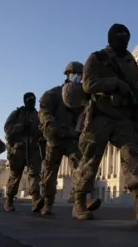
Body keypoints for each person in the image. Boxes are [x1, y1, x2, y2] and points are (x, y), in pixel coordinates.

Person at [73, 24, 138, 221]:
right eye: (120, 38)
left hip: (123, 116)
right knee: (91, 159)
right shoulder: (97, 58)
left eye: (127, 38)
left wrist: (136, 98)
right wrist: (114, 84)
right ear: (111, 39)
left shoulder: (131, 61)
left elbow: (134, 87)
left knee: (132, 155)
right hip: (100, 114)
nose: (124, 42)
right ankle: (79, 201)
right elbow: (88, 85)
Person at [37, 62, 101, 216]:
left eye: (80, 74)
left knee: (81, 167)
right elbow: (44, 111)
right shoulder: (53, 94)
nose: (78, 77)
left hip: (73, 138)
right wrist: (50, 124)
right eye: (75, 74)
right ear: (67, 75)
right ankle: (47, 202)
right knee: (49, 173)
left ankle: (79, 202)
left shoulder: (83, 96)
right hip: (56, 138)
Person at [4, 92, 43, 212]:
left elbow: (43, 130)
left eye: (33, 100)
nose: (32, 102)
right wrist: (21, 127)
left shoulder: (38, 115)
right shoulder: (17, 114)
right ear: (25, 101)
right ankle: (9, 200)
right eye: (29, 100)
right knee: (15, 176)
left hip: (33, 149)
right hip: (19, 149)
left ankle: (36, 200)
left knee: (35, 175)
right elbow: (7, 129)